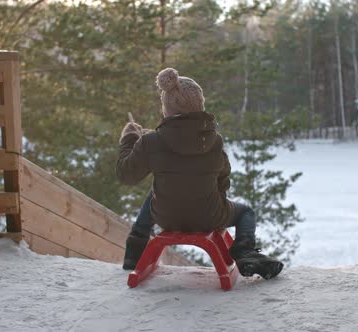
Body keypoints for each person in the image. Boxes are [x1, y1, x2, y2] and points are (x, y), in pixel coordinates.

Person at [116, 68, 283, 280]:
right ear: (200, 106)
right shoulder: (214, 141)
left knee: (161, 189)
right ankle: (244, 251)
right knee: (246, 212)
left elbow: (126, 175)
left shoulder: (151, 143)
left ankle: (135, 251)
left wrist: (130, 139)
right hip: (209, 216)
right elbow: (224, 180)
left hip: (166, 216)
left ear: (166, 108)